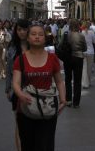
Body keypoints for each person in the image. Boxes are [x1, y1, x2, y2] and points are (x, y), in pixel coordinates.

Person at [12, 23, 66, 151]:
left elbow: (59, 81)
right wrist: (20, 94)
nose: (37, 37)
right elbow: (15, 82)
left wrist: (63, 100)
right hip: (26, 110)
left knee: (45, 145)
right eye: (33, 34)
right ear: (28, 38)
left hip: (48, 109)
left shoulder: (53, 58)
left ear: (45, 38)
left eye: (41, 34)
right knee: (28, 145)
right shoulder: (20, 59)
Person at [5, 19, 30, 151]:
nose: (22, 32)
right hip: (17, 89)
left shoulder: (35, 46)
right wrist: (7, 88)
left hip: (34, 89)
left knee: (32, 124)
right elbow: (9, 70)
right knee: (19, 124)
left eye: (24, 29)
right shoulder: (12, 47)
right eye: (19, 29)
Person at [64, 19, 87, 108]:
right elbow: (84, 48)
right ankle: (76, 103)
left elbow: (60, 45)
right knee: (77, 81)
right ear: (78, 26)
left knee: (68, 79)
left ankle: (68, 100)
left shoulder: (66, 34)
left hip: (68, 58)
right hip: (78, 58)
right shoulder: (81, 36)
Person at [81, 23, 95, 89]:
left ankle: (85, 83)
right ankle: (89, 82)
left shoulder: (81, 33)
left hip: (83, 52)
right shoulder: (91, 33)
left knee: (84, 68)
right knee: (89, 68)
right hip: (91, 52)